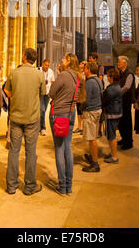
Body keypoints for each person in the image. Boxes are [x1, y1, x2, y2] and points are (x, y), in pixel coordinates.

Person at [5, 48, 46, 195]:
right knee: (30, 152)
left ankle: (11, 186)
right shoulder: (39, 74)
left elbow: (7, 92)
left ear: (24, 56)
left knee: (14, 151)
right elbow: (42, 94)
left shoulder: (14, 73)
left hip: (16, 117)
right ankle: (29, 186)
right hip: (32, 118)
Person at [49, 53, 85, 196]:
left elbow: (51, 93)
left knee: (59, 148)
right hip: (71, 113)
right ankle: (69, 186)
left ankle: (62, 185)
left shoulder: (64, 75)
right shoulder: (79, 77)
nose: (61, 60)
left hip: (59, 114)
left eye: (64, 58)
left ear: (69, 62)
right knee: (67, 148)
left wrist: (59, 74)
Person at [81, 62, 103, 172]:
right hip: (97, 109)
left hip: (91, 111)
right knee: (93, 135)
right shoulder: (98, 80)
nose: (84, 70)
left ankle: (95, 164)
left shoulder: (89, 82)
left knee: (91, 138)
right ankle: (93, 156)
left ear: (88, 69)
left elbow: (86, 100)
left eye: (85, 68)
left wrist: (81, 108)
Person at [103, 68, 123, 164]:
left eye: (108, 76)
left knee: (111, 136)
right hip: (117, 112)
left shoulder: (111, 89)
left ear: (112, 77)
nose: (107, 78)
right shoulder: (117, 86)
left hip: (112, 114)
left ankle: (114, 157)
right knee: (111, 135)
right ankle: (112, 153)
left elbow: (105, 100)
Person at [117, 56, 135, 150]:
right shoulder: (121, 73)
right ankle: (124, 138)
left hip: (126, 101)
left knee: (126, 121)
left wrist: (116, 93)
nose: (118, 63)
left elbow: (127, 87)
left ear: (125, 63)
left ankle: (129, 142)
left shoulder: (129, 74)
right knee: (121, 121)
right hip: (120, 100)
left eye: (119, 62)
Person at [89, 53, 105, 137]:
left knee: (100, 109)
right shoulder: (88, 67)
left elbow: (100, 78)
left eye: (91, 58)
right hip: (91, 89)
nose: (89, 60)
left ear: (95, 59)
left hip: (98, 89)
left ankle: (99, 130)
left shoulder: (100, 67)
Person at [38, 59, 55, 136]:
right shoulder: (38, 70)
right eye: (45, 65)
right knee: (41, 110)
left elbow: (52, 82)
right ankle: (43, 128)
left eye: (48, 65)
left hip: (47, 93)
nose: (47, 67)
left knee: (43, 110)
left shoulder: (51, 71)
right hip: (40, 93)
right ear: (42, 64)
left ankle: (39, 126)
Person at [73, 60, 86, 134]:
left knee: (83, 112)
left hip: (83, 95)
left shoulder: (85, 74)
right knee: (78, 111)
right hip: (78, 95)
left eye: (82, 63)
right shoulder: (78, 73)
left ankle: (84, 127)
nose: (80, 64)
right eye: (80, 63)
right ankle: (79, 126)